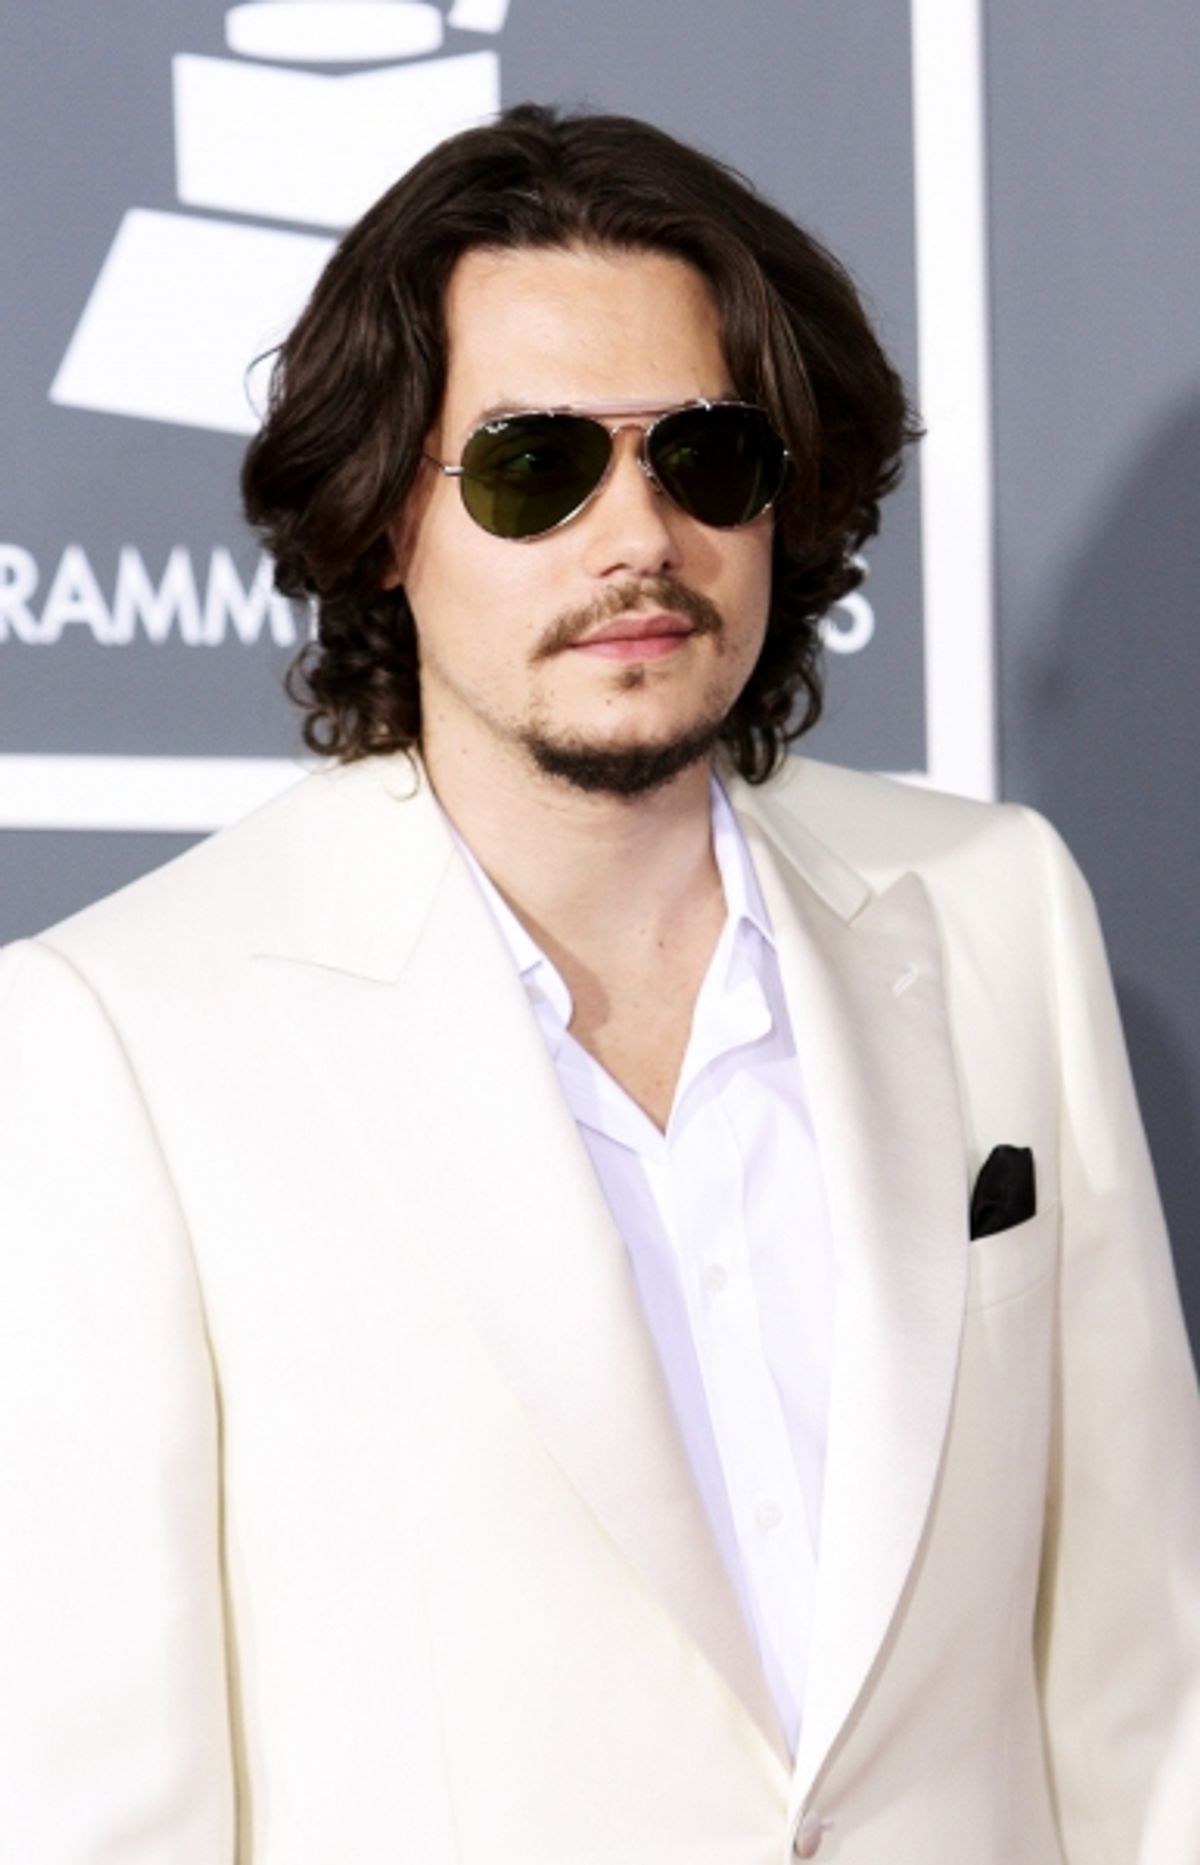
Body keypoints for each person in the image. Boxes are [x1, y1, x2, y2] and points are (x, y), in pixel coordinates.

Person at [1, 103, 1198, 1865]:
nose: (636, 534)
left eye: (704, 456)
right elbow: (100, 1806)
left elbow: (1137, 1680)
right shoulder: (123, 1037)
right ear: (385, 520)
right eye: (533, 467)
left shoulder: (995, 907)